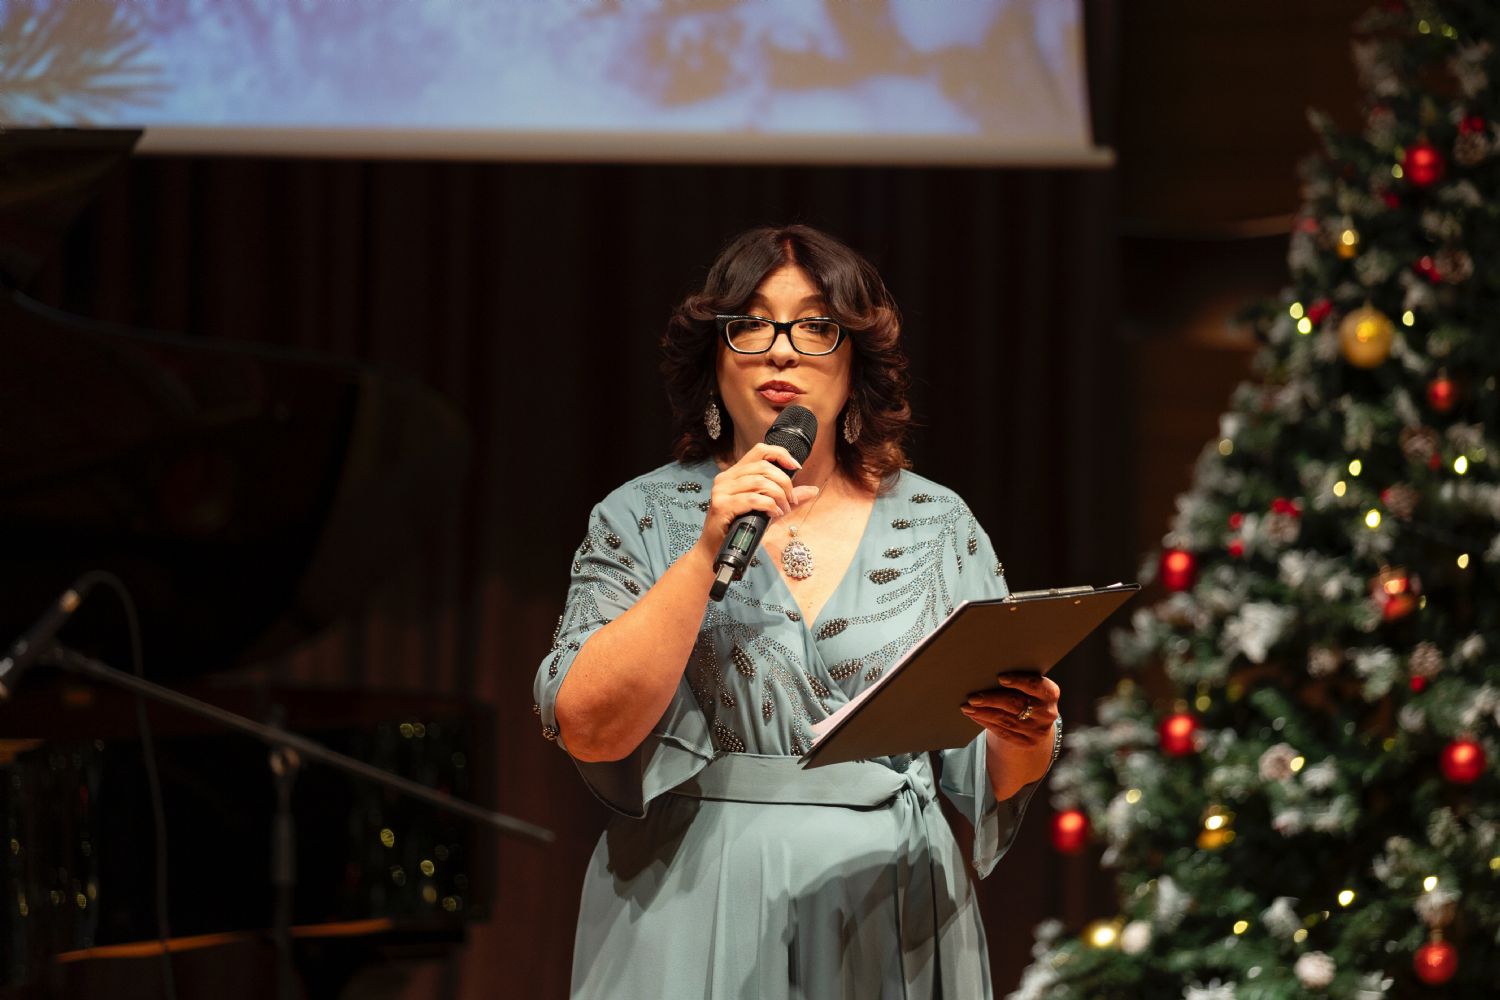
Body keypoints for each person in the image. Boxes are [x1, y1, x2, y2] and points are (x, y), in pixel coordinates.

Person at [533, 224, 1062, 998]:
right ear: (715, 359)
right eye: (750, 325)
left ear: (856, 362)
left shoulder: (939, 524)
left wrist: (1026, 733)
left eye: (816, 327)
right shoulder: (638, 517)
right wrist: (706, 550)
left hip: (891, 906)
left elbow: (991, 775)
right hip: (693, 901)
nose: (781, 352)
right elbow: (588, 725)